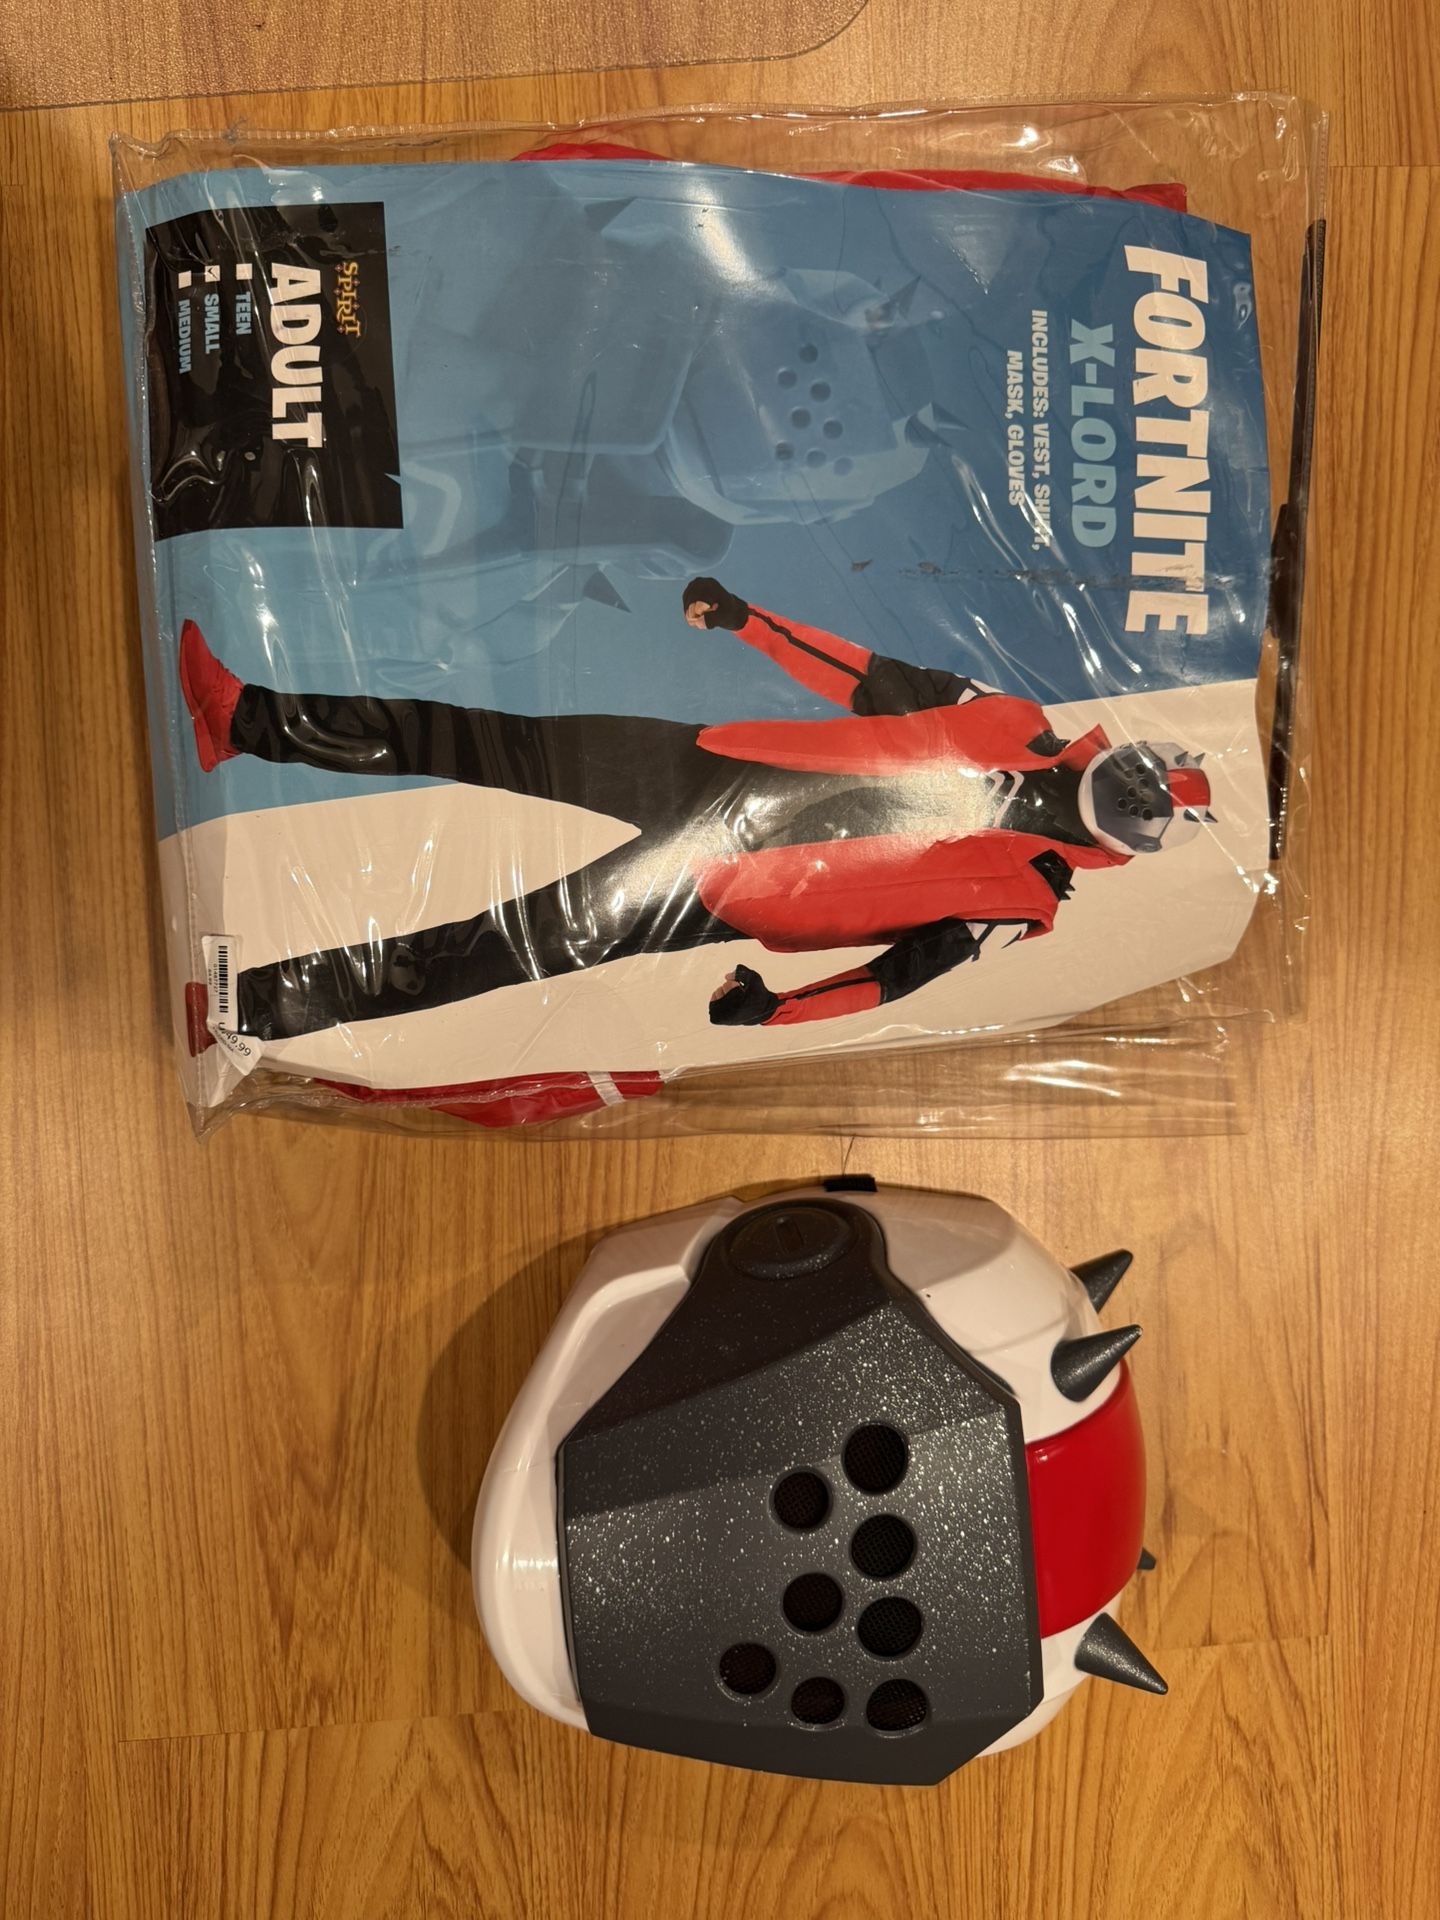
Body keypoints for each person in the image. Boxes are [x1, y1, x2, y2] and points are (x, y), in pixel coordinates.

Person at [178, 578, 1214, 1042]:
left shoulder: (1027, 901)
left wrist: (781, 1009)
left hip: (719, 891)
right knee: (482, 735)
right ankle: (245, 719)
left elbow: (898, 977)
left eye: (1143, 808)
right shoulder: (1010, 718)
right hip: (712, 766)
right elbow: (866, 675)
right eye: (1141, 776)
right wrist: (749, 620)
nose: (1127, 794)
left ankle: (247, 1007)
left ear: (1139, 841)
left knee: (494, 949)